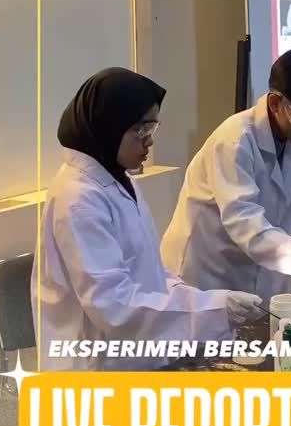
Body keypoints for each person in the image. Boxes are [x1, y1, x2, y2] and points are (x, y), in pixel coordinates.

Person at [31, 68, 264, 371]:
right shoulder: (79, 199)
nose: (149, 142)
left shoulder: (118, 180)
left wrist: (208, 301)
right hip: (96, 366)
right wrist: (214, 309)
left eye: (152, 128)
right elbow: (113, 306)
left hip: (133, 353)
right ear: (109, 127)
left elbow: (149, 271)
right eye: (141, 130)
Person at [161, 49, 291, 303]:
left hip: (259, 273)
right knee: (212, 327)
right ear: (275, 103)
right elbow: (245, 222)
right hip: (209, 274)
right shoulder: (234, 141)